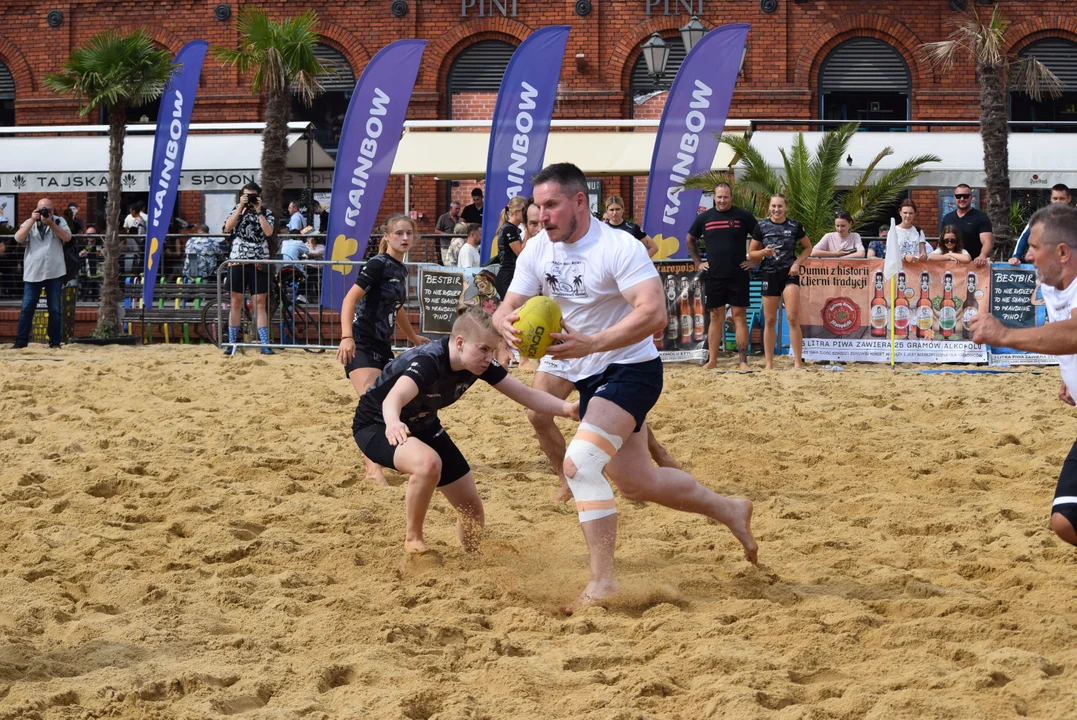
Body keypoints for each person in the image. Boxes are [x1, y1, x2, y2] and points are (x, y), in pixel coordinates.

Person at [493, 163, 756, 611]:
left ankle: (603, 583)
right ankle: (729, 508)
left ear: (580, 202)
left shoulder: (618, 247)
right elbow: (508, 304)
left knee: (581, 465)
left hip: (629, 368)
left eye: (551, 205)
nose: (542, 215)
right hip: (578, 363)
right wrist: (505, 324)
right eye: (538, 206)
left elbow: (654, 314)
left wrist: (591, 343)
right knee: (637, 484)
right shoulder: (537, 248)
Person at [353, 305, 578, 554]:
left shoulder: (479, 364)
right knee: (428, 464)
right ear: (460, 342)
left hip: (424, 424)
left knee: (472, 511)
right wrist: (394, 422)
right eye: (483, 349)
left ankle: (471, 560)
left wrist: (567, 409)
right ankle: (413, 540)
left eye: (493, 350)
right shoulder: (429, 361)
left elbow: (527, 395)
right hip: (378, 424)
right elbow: (392, 399)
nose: (488, 357)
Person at [970, 203, 1077, 547]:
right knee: (1065, 521)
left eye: (1033, 247)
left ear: (1062, 252)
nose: (1027, 255)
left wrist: (1004, 336)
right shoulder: (1052, 282)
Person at [337, 214, 429, 485]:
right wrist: (346, 336)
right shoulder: (377, 264)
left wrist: (412, 337)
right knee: (372, 402)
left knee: (389, 403)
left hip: (381, 345)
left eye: (409, 233)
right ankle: (372, 470)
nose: (404, 238)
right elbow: (349, 299)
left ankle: (386, 457)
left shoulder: (401, 269)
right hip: (361, 341)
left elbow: (396, 308)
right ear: (386, 236)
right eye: (399, 233)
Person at [686, 182, 759, 370]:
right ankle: (712, 360)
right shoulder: (705, 218)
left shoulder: (743, 216)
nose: (722, 200)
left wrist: (754, 261)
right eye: (719, 197)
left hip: (738, 274)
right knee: (716, 316)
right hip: (714, 275)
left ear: (731, 197)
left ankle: (743, 361)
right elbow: (690, 239)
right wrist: (697, 262)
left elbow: (761, 237)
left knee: (739, 316)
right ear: (714, 198)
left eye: (725, 197)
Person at [749, 193, 813, 370]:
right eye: (773, 206)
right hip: (769, 274)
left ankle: (797, 362)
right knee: (769, 320)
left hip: (789, 274)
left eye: (779, 206)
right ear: (769, 207)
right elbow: (752, 252)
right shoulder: (761, 226)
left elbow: (808, 247)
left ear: (786, 207)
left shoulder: (794, 226)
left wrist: (797, 263)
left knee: (792, 318)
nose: (776, 209)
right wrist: (764, 253)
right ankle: (769, 363)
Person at [222, 182, 276, 356]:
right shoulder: (237, 210)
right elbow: (227, 228)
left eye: (254, 195)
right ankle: (232, 343)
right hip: (238, 260)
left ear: (260, 196)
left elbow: (268, 232)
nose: (251, 198)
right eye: (247, 195)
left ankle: (265, 344)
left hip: (260, 261)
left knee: (260, 304)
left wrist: (259, 210)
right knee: (236, 301)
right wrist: (240, 207)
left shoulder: (267, 212)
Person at [11, 198, 72, 349]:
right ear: (36, 209)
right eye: (42, 209)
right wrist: (32, 220)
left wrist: (50, 223)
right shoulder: (29, 222)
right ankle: (21, 340)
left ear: (53, 210)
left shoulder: (59, 221)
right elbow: (18, 238)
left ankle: (55, 342)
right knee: (27, 308)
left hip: (54, 271)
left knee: (55, 310)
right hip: (33, 272)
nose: (45, 212)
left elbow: (67, 237)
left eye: (48, 209)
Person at [1011, 184, 1071, 265]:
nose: (1058, 202)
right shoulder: (1040, 217)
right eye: (1055, 198)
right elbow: (1024, 237)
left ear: (1069, 199)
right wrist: (1016, 256)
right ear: (1051, 199)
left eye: (1062, 198)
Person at [939, 184, 992, 267]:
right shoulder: (947, 218)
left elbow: (987, 241)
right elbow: (941, 242)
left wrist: (982, 256)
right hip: (950, 265)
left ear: (971, 197)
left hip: (974, 265)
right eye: (958, 196)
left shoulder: (981, 218)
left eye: (965, 196)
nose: (962, 199)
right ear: (954, 197)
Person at [493, 196, 527, 299]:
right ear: (516, 212)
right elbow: (520, 253)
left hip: (512, 274)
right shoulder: (509, 229)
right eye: (524, 212)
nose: (526, 215)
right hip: (507, 275)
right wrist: (528, 232)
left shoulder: (513, 229)